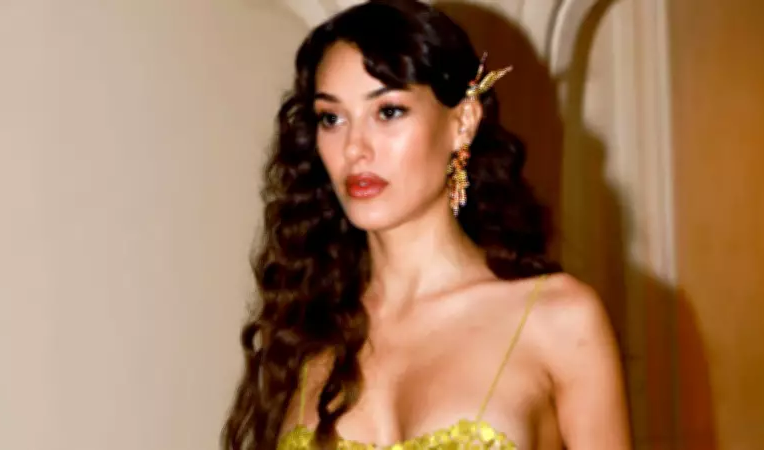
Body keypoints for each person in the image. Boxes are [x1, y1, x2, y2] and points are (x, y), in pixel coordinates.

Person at [222, 1, 631, 449]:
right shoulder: (306, 329)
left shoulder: (559, 319)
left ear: (463, 123)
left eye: (388, 111)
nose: (355, 148)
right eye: (331, 118)